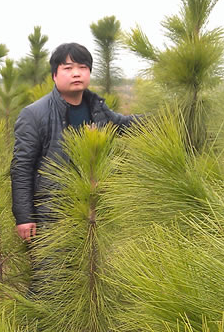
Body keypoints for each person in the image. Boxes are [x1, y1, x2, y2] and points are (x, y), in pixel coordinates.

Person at [11, 42, 141, 296]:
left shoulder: (96, 109)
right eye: (68, 67)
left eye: (83, 67)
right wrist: (24, 216)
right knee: (50, 278)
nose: (77, 73)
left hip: (93, 206)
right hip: (52, 210)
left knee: (87, 276)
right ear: (54, 75)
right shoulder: (34, 114)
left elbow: (122, 124)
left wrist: (168, 118)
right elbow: (22, 168)